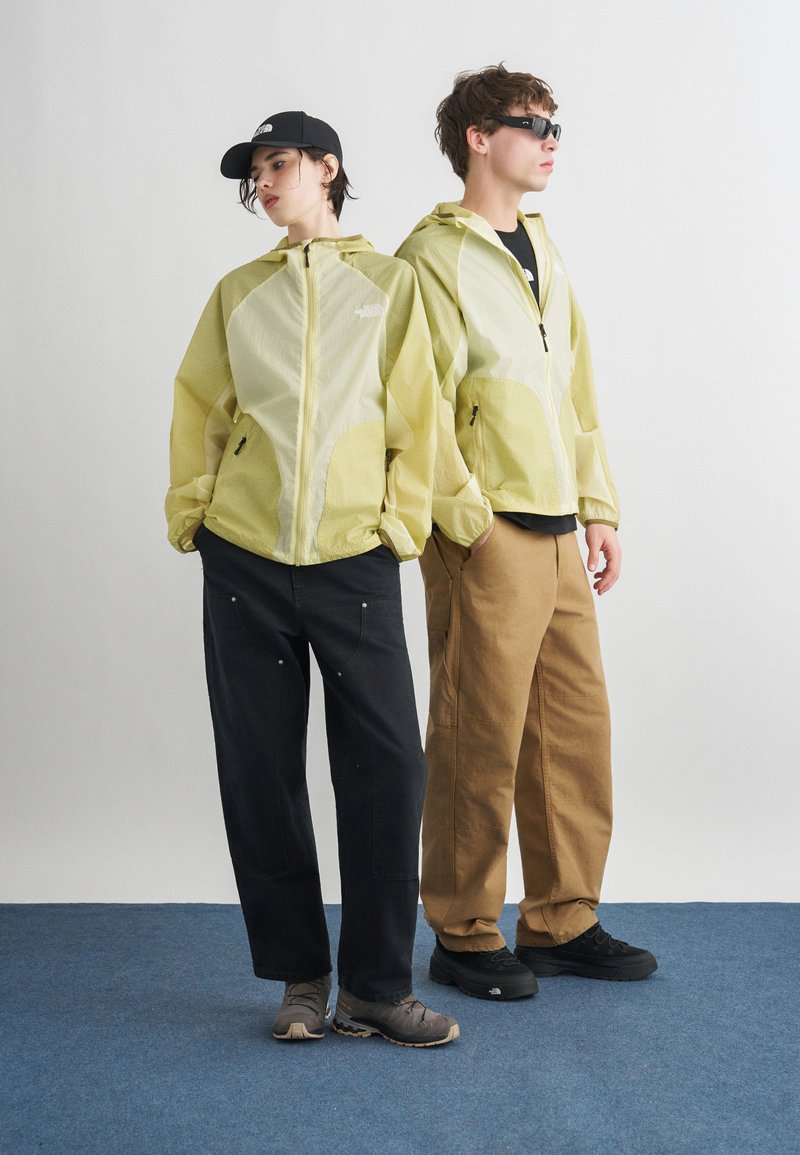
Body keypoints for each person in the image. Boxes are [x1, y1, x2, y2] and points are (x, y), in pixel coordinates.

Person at [165, 110, 459, 1046]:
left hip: (353, 558)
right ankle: (301, 979)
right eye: (254, 171)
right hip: (245, 558)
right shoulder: (238, 291)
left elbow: (419, 414)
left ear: (328, 168)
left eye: (278, 163)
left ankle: (376, 987)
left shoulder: (390, 283)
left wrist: (398, 524)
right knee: (261, 771)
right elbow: (202, 408)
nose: (264, 183)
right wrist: (196, 513)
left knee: (388, 768)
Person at [396, 66, 657, 1000]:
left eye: (555, 126)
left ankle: (561, 919)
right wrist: (468, 522)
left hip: (557, 526)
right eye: (530, 124)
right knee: (479, 732)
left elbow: (573, 390)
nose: (550, 140)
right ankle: (463, 930)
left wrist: (599, 506)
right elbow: (418, 406)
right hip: (488, 529)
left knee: (573, 730)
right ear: (478, 137)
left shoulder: (542, 245)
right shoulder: (431, 257)